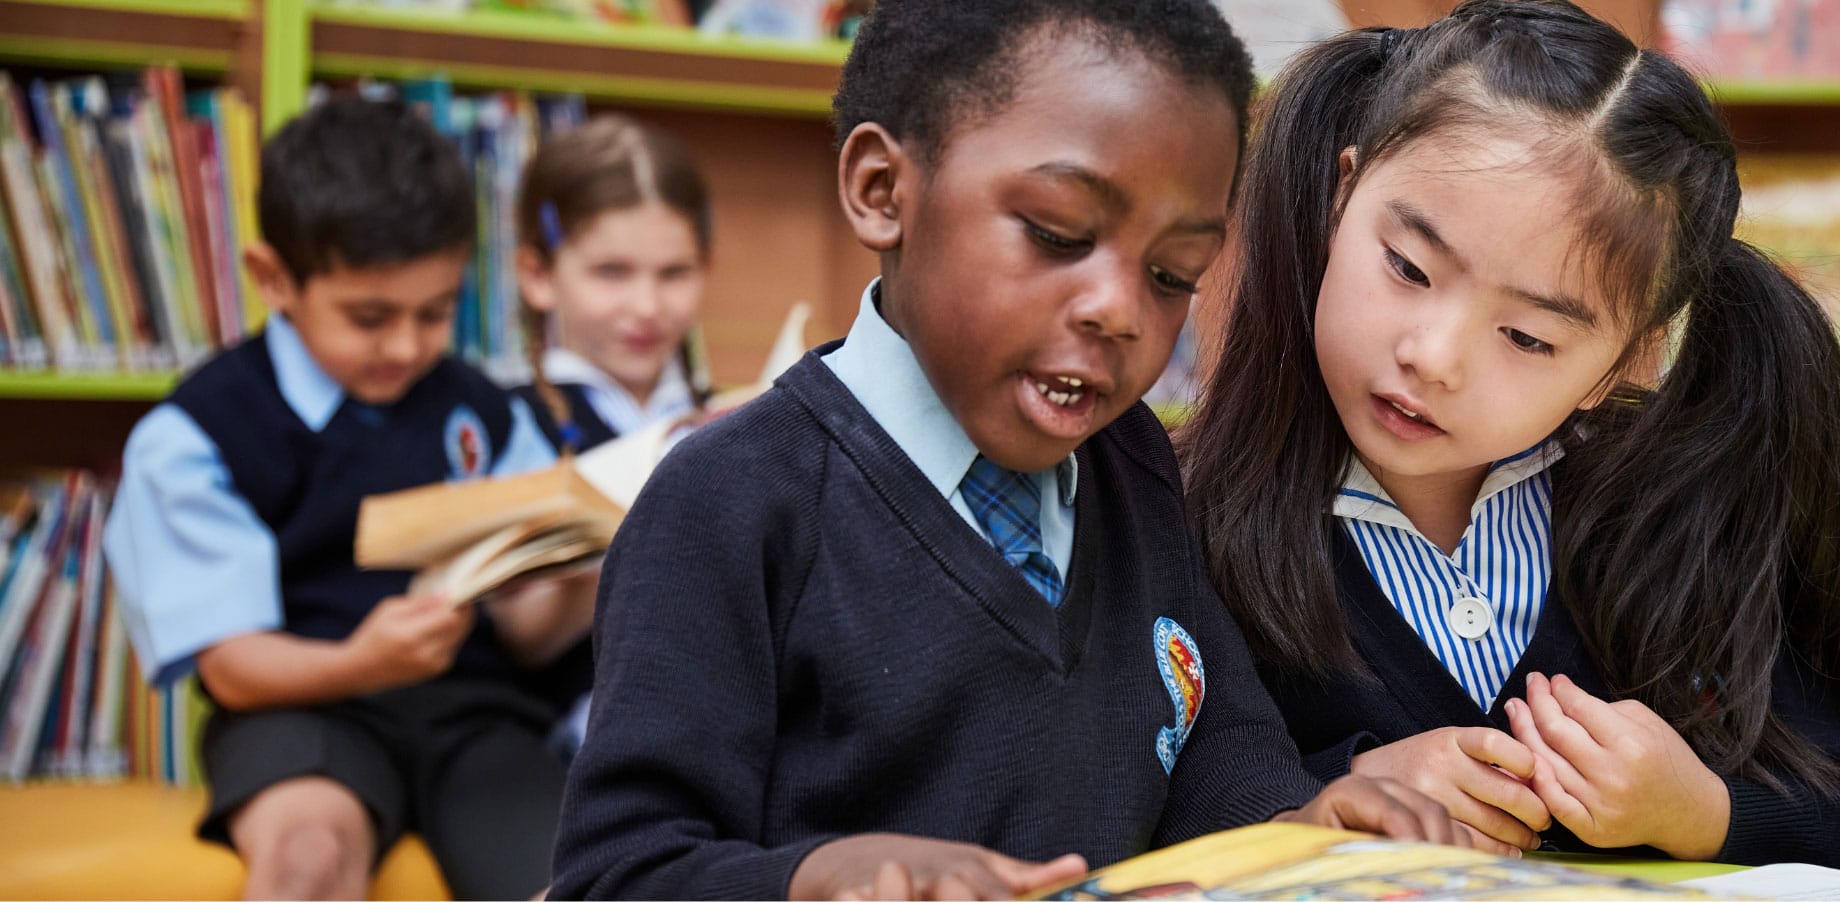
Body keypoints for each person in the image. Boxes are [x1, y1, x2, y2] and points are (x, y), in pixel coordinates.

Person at [548, 2, 1471, 899]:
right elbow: (619, 871)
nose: (1118, 310)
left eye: (1171, 276)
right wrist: (817, 877)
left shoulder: (1135, 463)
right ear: (882, 192)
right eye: (1059, 235)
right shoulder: (728, 504)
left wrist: (1299, 828)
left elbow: (1212, 739)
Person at [1180, 0, 1840, 866]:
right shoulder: (1182, 521)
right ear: (1344, 193)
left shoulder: (1696, 518)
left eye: (1529, 338)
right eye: (1409, 268)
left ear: (1623, 361)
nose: (1433, 357)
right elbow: (1151, 802)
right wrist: (1329, 803)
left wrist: (1708, 812)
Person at [103, 96, 596, 900]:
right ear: (274, 279)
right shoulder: (198, 437)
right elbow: (232, 668)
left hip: (475, 719)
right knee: (307, 859)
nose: (406, 346)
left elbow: (530, 633)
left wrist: (588, 560)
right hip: (301, 712)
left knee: (569, 877)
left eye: (436, 313)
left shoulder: (487, 412)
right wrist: (360, 662)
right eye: (369, 317)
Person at [512, 113, 713, 456]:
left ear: (706, 268)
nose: (647, 307)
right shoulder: (506, 429)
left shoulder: (733, 422)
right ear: (538, 275)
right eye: (612, 272)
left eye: (674, 272)